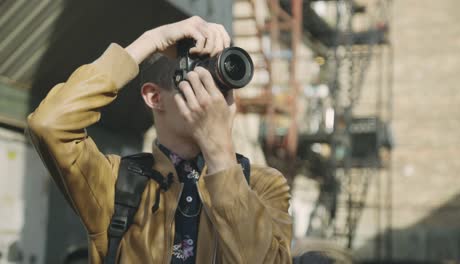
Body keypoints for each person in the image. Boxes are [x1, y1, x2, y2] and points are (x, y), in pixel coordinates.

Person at [26, 16, 292, 263]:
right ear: (154, 96)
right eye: (197, 81)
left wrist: (221, 154)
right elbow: (51, 124)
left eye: (219, 83)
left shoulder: (262, 185)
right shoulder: (116, 183)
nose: (213, 95)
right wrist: (151, 41)